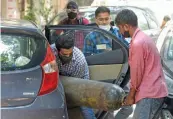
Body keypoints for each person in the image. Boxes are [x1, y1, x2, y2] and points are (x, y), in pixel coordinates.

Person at [115, 9, 168, 119]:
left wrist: (131, 95)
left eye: (119, 28)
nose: (120, 32)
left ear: (125, 26)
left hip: (150, 94)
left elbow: (137, 74)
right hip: (156, 91)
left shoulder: (137, 43)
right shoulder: (143, 38)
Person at [83, 6, 133, 119]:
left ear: (110, 18)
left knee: (128, 107)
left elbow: (127, 49)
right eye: (101, 19)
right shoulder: (91, 37)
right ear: (96, 20)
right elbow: (87, 60)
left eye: (106, 19)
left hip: (120, 75)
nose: (104, 22)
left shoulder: (118, 32)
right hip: (104, 78)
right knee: (107, 109)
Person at [51, 31, 96, 119]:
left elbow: (75, 85)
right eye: (64, 54)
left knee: (84, 103)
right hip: (57, 78)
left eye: (70, 53)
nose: (68, 56)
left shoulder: (79, 60)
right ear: (58, 50)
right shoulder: (51, 52)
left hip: (78, 80)